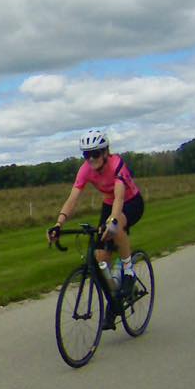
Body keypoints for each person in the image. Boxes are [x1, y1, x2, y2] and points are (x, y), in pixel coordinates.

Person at [47, 129, 145, 328]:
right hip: (109, 204)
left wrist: (113, 222)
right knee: (100, 259)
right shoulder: (85, 170)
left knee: (116, 227)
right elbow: (73, 199)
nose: (91, 159)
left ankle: (128, 271)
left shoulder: (117, 164)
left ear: (106, 151)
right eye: (86, 154)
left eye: (95, 153)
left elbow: (119, 198)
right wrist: (59, 224)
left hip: (131, 202)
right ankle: (114, 303)